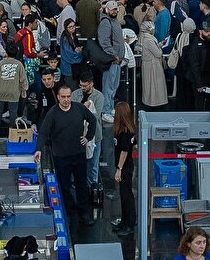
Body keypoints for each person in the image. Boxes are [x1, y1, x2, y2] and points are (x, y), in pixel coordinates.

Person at [34, 83, 96, 227]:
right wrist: (38, 149)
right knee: (64, 186)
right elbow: (43, 132)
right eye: (63, 97)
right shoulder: (53, 112)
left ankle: (84, 214)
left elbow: (93, 121)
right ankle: (69, 210)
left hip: (79, 154)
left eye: (68, 97)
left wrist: (88, 137)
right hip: (61, 157)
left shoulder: (79, 108)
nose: (66, 100)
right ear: (58, 97)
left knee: (81, 185)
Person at [109, 101, 137, 237]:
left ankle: (129, 224)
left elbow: (125, 151)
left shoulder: (125, 132)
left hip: (125, 167)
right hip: (125, 166)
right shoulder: (126, 128)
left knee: (127, 195)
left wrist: (119, 168)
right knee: (124, 194)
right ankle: (125, 221)